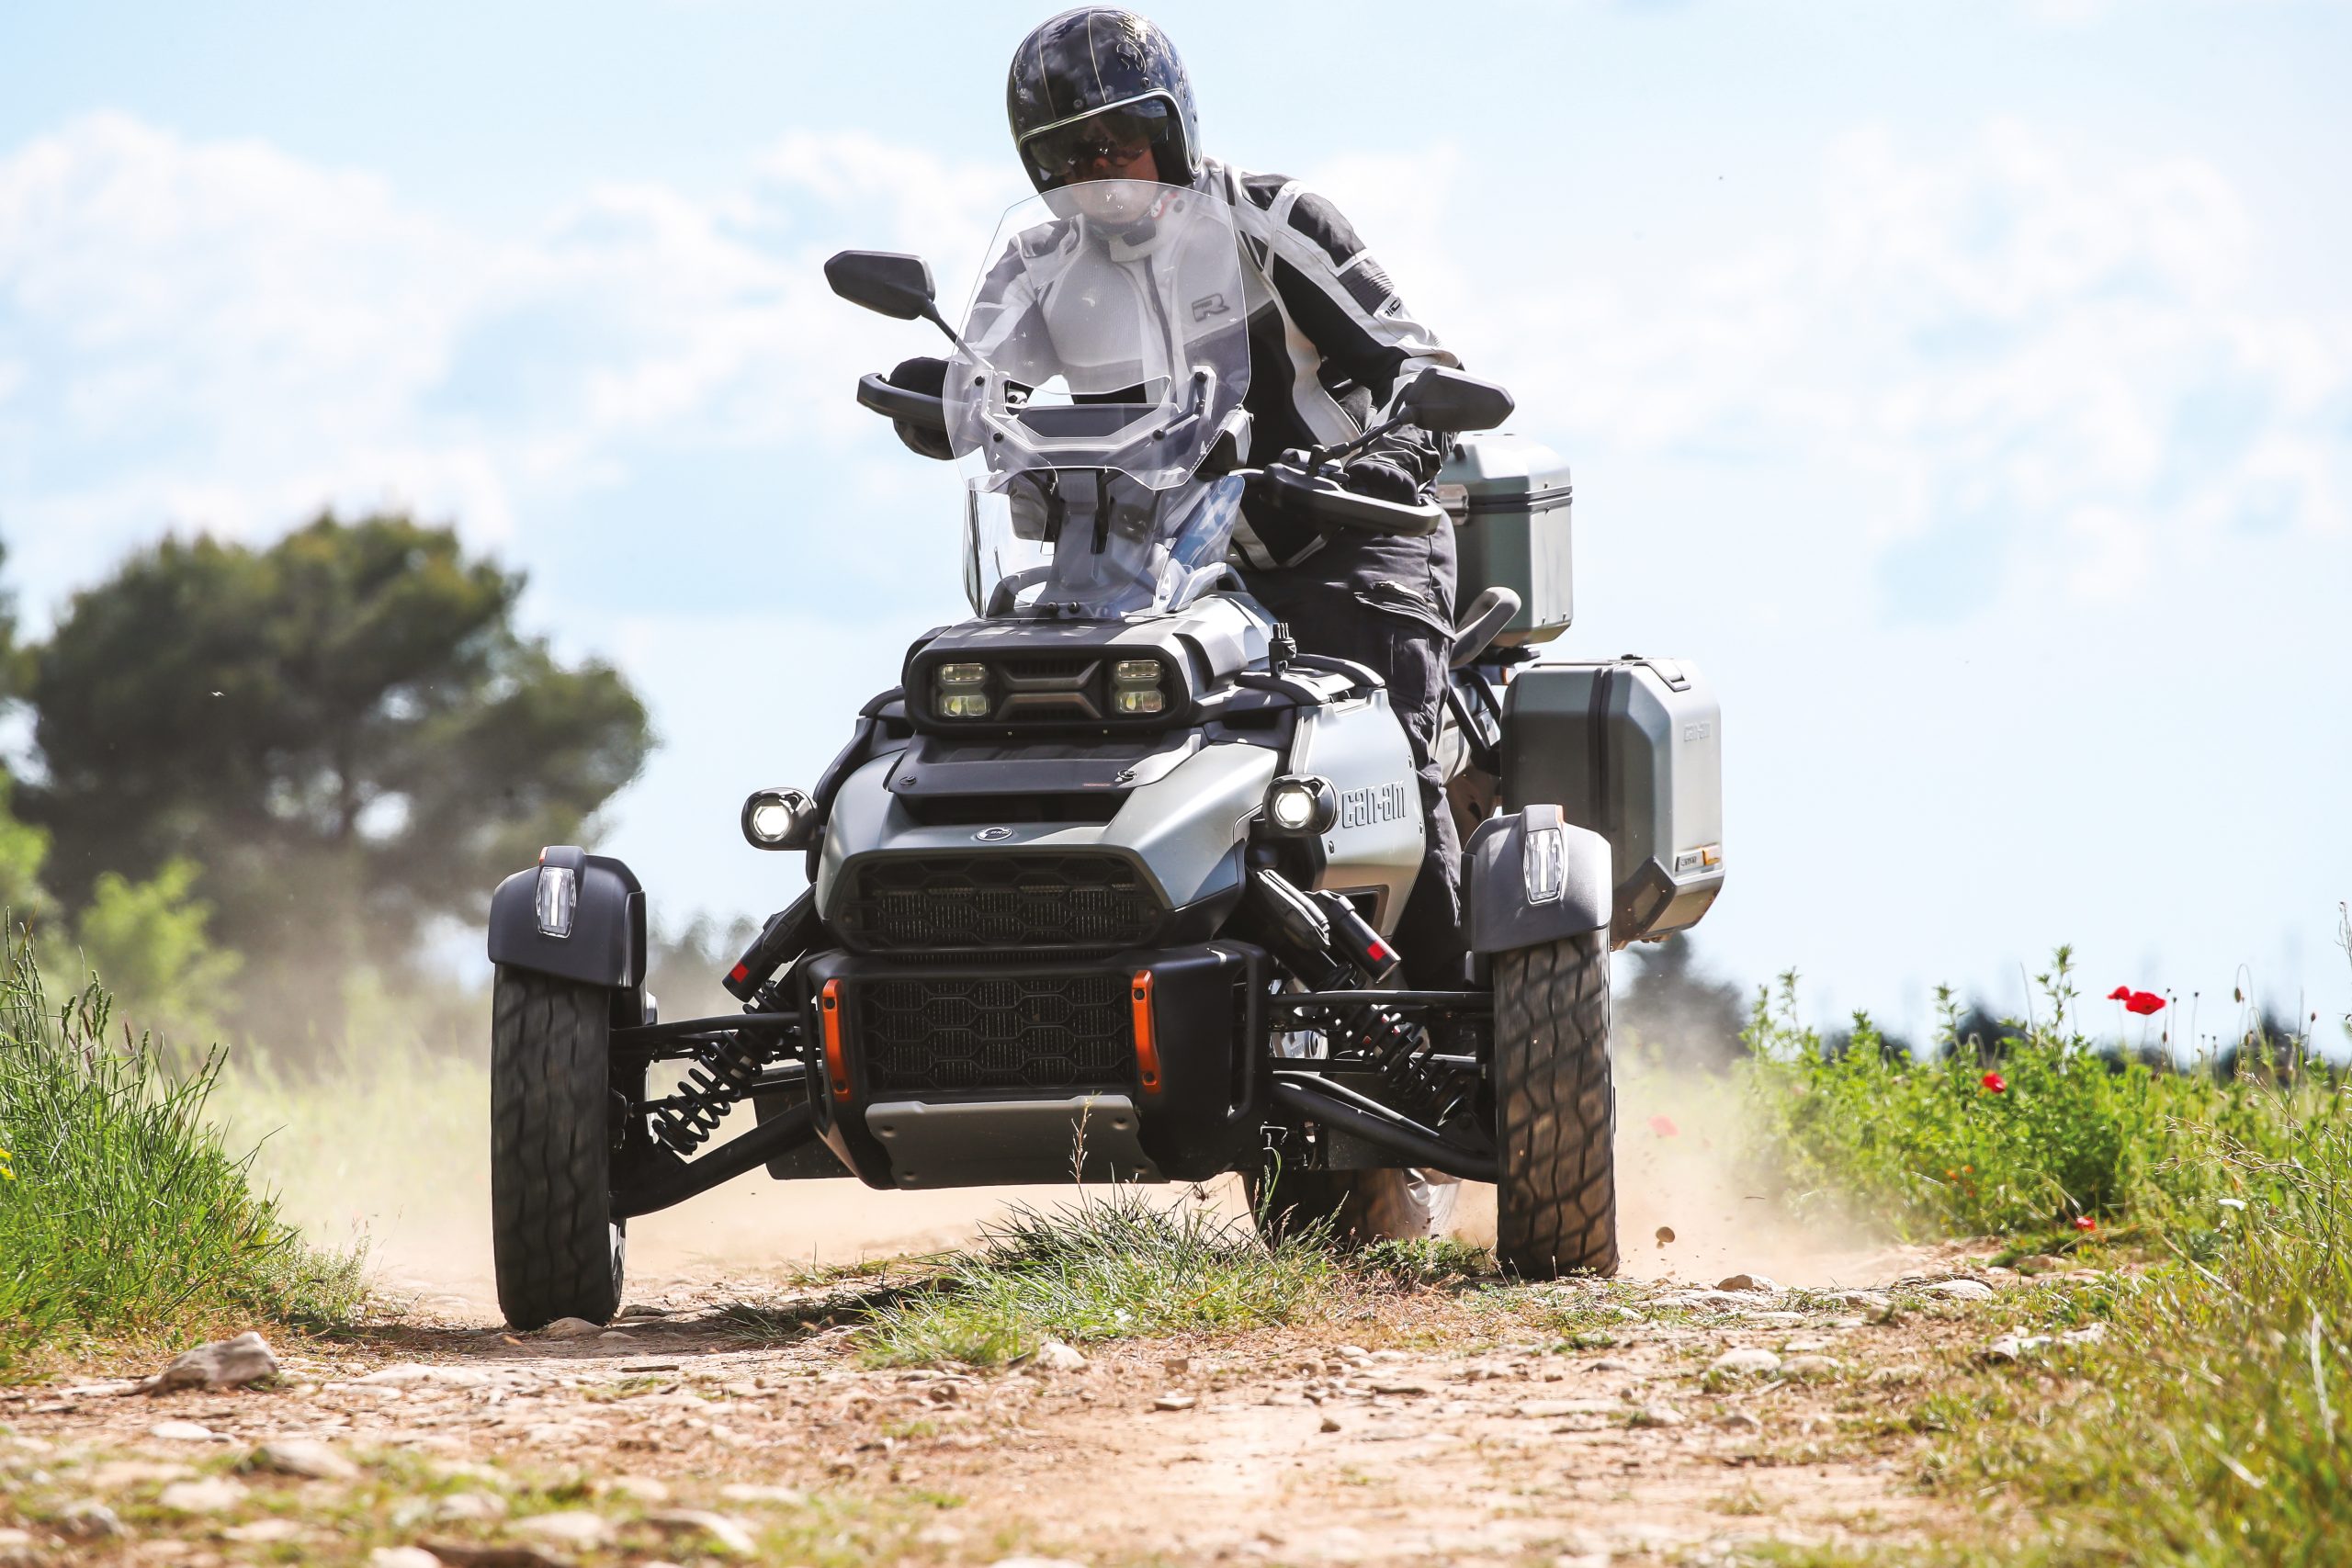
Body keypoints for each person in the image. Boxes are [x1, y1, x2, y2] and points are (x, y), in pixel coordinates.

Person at [891, 6, 1468, 989]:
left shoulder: (1272, 220)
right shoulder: (1038, 263)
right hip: (1147, 574)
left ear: (1173, 125)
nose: (1103, 172)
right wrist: (942, 401)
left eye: (1122, 140)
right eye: (1071, 155)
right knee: (1014, 742)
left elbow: (1415, 363)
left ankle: (1452, 1031)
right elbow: (981, 382)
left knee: (1382, 762)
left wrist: (1395, 454)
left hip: (1342, 542)